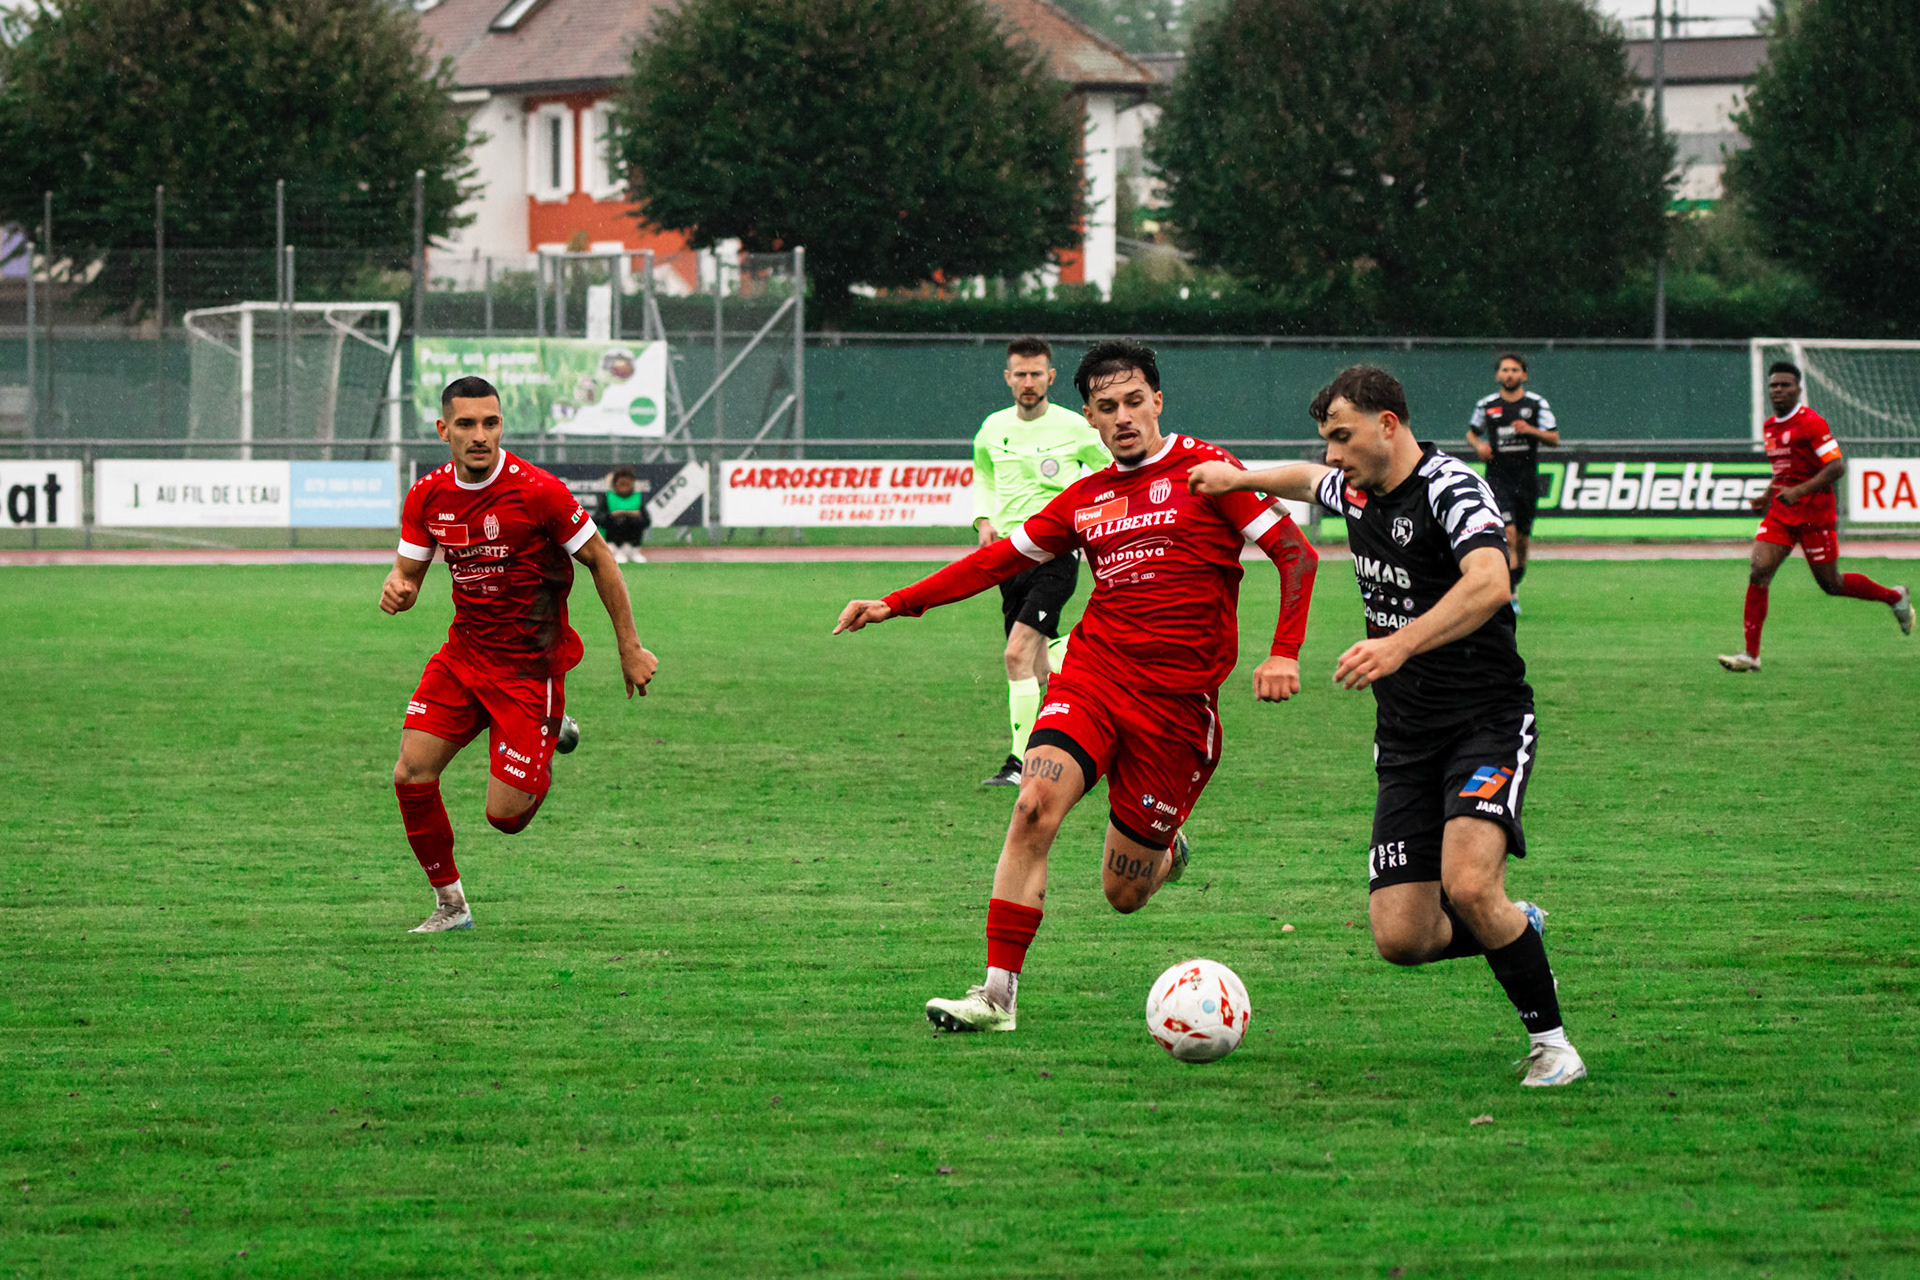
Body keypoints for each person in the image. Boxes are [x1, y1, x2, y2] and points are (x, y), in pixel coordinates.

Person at [836, 340, 1317, 1033]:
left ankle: (1165, 848)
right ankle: (998, 997)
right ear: (1089, 417)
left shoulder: (1210, 474)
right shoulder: (1086, 500)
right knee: (1033, 806)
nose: (1122, 417)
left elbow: (1295, 555)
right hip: (1093, 678)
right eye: (1106, 407)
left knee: (1124, 894)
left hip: (1175, 708)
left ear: (1157, 401)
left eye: (1133, 401)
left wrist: (1284, 653)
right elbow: (996, 559)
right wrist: (896, 601)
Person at [1188, 364, 1584, 1087]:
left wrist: (1397, 644)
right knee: (1403, 938)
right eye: (1328, 440)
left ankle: (1553, 1044)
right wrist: (1235, 478)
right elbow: (1308, 480)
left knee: (1466, 885)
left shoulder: (1451, 487)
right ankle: (1513, 922)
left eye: (1343, 437)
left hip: (1485, 722)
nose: (1334, 454)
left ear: (1389, 424)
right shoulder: (1355, 486)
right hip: (1406, 737)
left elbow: (1491, 583)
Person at [381, 375, 659, 933]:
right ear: (444, 431)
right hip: (464, 658)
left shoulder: (538, 491)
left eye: (490, 422)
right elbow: (408, 571)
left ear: (501, 425)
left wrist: (629, 647)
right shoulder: (428, 495)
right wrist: (400, 588)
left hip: (531, 670)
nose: (479, 435)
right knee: (411, 775)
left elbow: (603, 561)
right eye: (466, 424)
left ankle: (549, 734)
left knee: (504, 818)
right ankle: (451, 907)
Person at [971, 336, 1113, 786]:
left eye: (1037, 374)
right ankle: (1080, 654)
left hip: (1055, 551)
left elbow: (1112, 465)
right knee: (1034, 663)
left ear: (1050, 377)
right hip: (1008, 555)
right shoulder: (992, 427)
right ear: (1008, 378)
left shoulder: (1074, 427)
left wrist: (1095, 518)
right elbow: (984, 472)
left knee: (1016, 653)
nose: (1028, 382)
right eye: (1020, 373)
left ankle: (1018, 764)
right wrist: (983, 518)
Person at [1717, 361, 1911, 672]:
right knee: (1759, 570)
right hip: (1782, 515)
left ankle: (1894, 596)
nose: (1777, 390)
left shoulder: (1812, 423)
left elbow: (1837, 467)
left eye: (1784, 385)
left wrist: (1799, 491)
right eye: (1773, 386)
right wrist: (1768, 495)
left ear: (1798, 389)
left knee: (1831, 583)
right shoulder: (1770, 427)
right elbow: (1784, 470)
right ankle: (1751, 655)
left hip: (1815, 516)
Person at [1465, 353, 1558, 613]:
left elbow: (1554, 437)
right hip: (1497, 480)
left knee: (1523, 542)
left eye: (1515, 370)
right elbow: (1471, 433)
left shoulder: (1536, 404)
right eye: (1505, 370)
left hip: (1526, 481)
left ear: (1524, 375)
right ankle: (1509, 594)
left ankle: (1514, 584)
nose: (1509, 374)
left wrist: (1530, 431)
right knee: (1508, 535)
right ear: (1498, 375)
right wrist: (1479, 446)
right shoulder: (1487, 405)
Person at [597, 466, 652, 564]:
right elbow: (597, 519)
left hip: (633, 538)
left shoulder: (637, 497)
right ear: (615, 484)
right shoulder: (608, 496)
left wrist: (635, 516)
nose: (624, 487)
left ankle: (634, 550)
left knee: (634, 520)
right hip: (613, 538)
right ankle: (618, 549)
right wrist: (611, 516)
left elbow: (646, 521)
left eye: (627, 484)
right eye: (621, 484)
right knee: (619, 520)